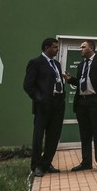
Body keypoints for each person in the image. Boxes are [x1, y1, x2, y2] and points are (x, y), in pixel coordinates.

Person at [64, 40, 97, 172]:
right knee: (84, 133)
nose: (80, 49)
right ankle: (86, 162)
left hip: (95, 101)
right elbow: (82, 81)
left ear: (91, 48)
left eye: (83, 47)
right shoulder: (81, 64)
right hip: (82, 102)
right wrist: (70, 80)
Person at [23, 37, 66, 177]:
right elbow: (28, 85)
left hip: (57, 105)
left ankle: (47, 164)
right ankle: (36, 166)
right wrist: (40, 98)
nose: (57, 49)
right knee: (38, 136)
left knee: (53, 136)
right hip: (43, 106)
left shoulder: (57, 64)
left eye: (57, 47)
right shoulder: (36, 63)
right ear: (46, 48)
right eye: (54, 47)